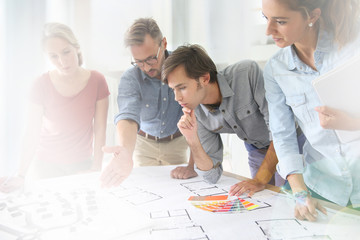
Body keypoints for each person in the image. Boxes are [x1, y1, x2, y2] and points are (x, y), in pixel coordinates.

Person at [262, 0, 360, 221]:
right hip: (322, 187)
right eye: (265, 18)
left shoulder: (353, 47)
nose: (268, 31)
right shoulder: (275, 69)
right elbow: (282, 135)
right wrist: (299, 192)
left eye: (280, 21)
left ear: (312, 17)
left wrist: (351, 124)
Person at [161, 44, 294, 191]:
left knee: (292, 200)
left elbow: (281, 132)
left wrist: (259, 180)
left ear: (204, 78)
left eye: (182, 88)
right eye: (173, 89)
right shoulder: (195, 111)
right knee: (263, 200)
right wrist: (192, 139)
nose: (176, 97)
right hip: (257, 149)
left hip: (290, 142)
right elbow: (211, 176)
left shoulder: (247, 73)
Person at [0, 22, 109, 192]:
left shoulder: (97, 80)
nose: (62, 61)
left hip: (82, 165)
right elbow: (32, 132)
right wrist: (21, 175)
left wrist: (96, 167)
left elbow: (100, 128)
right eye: (53, 56)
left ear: (77, 48)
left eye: (66, 52)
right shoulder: (40, 84)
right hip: (45, 166)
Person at [100, 18, 189, 188]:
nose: (146, 68)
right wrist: (126, 151)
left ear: (163, 44)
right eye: (139, 62)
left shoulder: (184, 67)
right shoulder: (130, 77)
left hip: (177, 143)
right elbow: (128, 114)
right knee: (148, 190)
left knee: (177, 190)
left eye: (151, 59)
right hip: (143, 144)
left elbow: (198, 110)